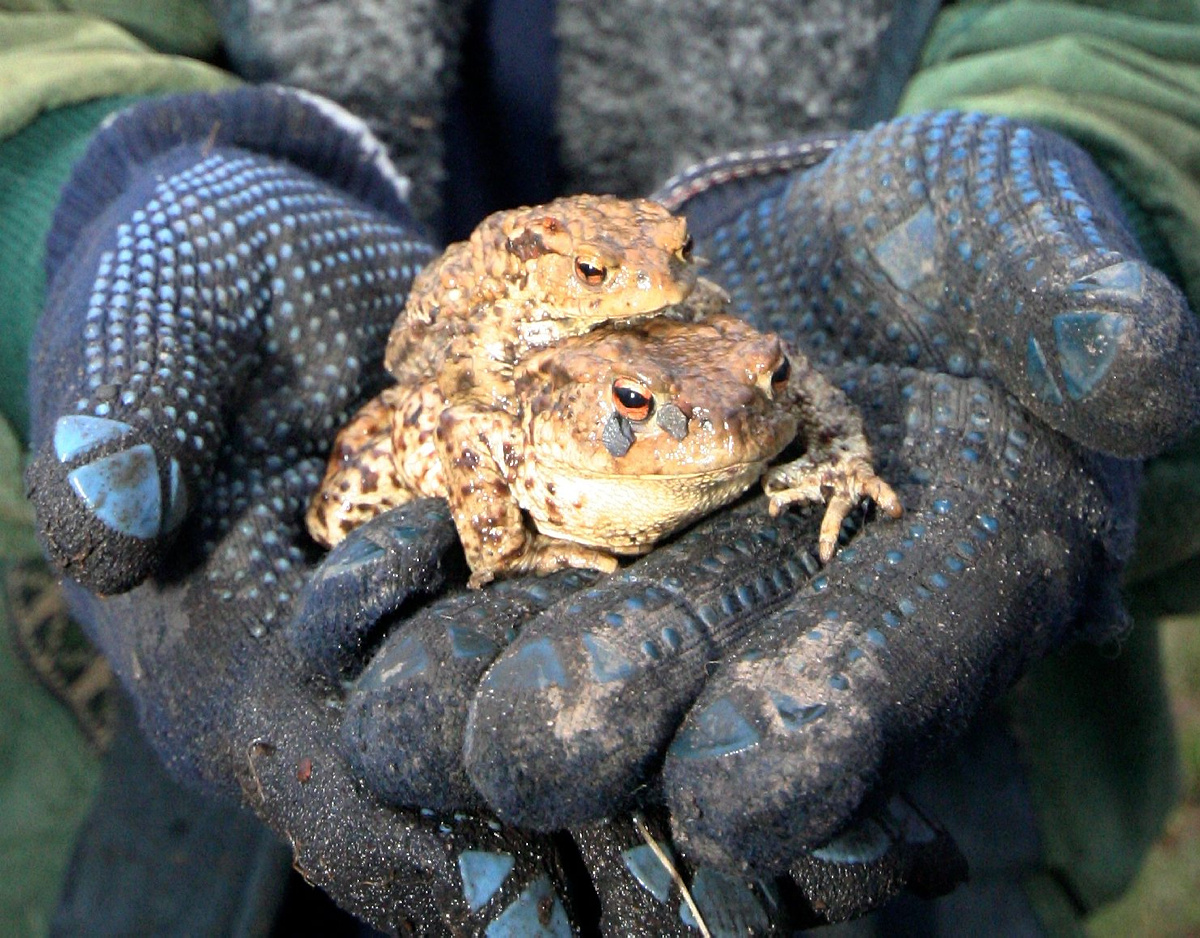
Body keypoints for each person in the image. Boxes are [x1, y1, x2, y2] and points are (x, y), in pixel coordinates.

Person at [3, 1, 1198, 934]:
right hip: (463, 404)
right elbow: (454, 405)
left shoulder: (699, 314)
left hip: (952, 821)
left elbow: (1140, 37)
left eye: (672, 265)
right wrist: (73, 177)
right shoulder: (504, 332)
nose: (657, 286)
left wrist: (1131, 201)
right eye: (617, 285)